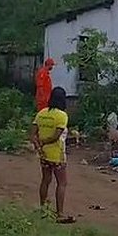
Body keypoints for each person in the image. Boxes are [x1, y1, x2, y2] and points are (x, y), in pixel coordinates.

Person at [31, 86, 73, 224]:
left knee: (45, 180)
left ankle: (43, 208)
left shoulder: (41, 113)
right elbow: (56, 136)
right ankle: (59, 213)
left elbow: (32, 134)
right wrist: (44, 142)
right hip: (57, 154)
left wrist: (39, 146)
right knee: (62, 183)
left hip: (44, 155)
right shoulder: (62, 116)